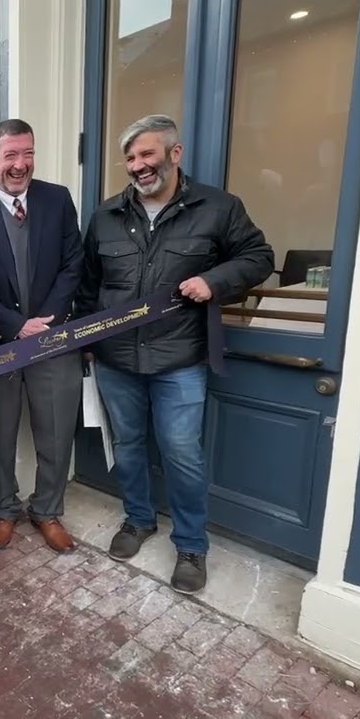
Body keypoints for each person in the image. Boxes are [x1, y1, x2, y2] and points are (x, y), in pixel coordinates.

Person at [77, 114, 275, 594]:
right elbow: (87, 287)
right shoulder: (106, 215)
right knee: (126, 447)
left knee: (182, 454)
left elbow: (259, 258)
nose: (139, 166)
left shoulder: (218, 207)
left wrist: (214, 281)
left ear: (174, 154)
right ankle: (139, 519)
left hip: (180, 360)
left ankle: (191, 544)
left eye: (147, 154)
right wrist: (86, 344)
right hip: (115, 360)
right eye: (130, 158)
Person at [0, 118, 84, 554]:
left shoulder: (58, 199)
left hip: (53, 338)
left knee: (56, 431)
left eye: (27, 153)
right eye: (10, 155)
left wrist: (47, 320)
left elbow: (73, 264)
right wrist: (13, 324)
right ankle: (4, 510)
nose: (20, 164)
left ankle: (47, 510)